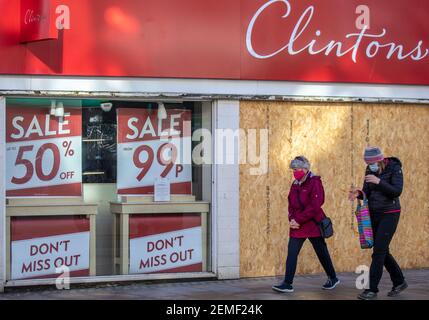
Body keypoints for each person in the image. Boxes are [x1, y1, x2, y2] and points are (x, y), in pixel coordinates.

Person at [272, 156, 339, 293]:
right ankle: (287, 283)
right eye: (293, 170)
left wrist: (298, 220)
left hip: (312, 223)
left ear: (305, 169)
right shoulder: (295, 184)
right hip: (297, 225)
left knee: (321, 252)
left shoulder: (315, 182)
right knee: (292, 252)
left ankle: (333, 277)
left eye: (296, 169)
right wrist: (291, 219)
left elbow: (315, 206)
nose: (294, 172)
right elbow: (290, 203)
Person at [349, 146, 407, 300]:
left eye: (373, 163)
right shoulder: (369, 170)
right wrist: (359, 194)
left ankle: (372, 290)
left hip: (390, 213)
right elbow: (367, 191)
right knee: (382, 251)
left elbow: (397, 191)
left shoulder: (394, 168)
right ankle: (399, 281)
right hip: (374, 213)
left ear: (380, 160)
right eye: (368, 164)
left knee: (379, 252)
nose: (370, 166)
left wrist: (379, 181)